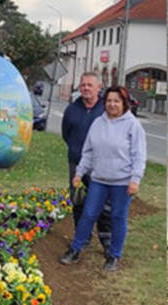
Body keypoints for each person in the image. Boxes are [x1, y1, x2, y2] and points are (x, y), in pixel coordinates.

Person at [59, 86, 146, 272]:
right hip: (98, 179)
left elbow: (139, 155)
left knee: (117, 217)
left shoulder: (132, 125)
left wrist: (135, 179)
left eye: (116, 101)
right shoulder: (98, 123)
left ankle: (114, 255)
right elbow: (88, 152)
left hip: (122, 182)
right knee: (88, 214)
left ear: (124, 103)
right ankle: (75, 249)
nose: (112, 104)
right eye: (109, 101)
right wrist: (79, 173)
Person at [61, 71, 111, 252]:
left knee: (104, 204)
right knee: (78, 201)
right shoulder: (71, 110)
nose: (86, 88)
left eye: (90, 85)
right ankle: (83, 236)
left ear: (99, 87)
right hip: (76, 163)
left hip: (100, 165)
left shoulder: (106, 110)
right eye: (83, 85)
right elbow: (66, 134)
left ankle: (106, 239)